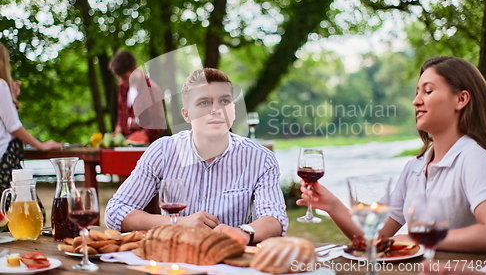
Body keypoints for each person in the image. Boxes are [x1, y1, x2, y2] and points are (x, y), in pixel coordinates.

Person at [298, 56, 486, 254]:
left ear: (461, 99)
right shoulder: (415, 168)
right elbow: (376, 238)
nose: (415, 101)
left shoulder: (472, 157)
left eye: (428, 91)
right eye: (417, 92)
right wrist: (332, 205)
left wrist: (419, 237)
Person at [105, 68, 287, 244]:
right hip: (173, 262)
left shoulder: (260, 158)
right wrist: (177, 224)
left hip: (230, 261)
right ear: (186, 114)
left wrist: (244, 233)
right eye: (204, 103)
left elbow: (275, 219)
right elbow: (115, 212)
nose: (216, 110)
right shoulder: (162, 151)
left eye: (224, 101)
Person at [0, 43, 61, 207]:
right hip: (4, 162)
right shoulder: (1, 85)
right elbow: (13, 127)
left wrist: (11, 98)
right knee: (30, 215)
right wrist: (40, 145)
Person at [108, 50, 164, 144]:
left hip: (147, 148)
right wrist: (118, 130)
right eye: (119, 78)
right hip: (124, 147)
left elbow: (158, 123)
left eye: (125, 77)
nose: (121, 81)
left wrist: (142, 135)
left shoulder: (152, 90)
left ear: (135, 69)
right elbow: (121, 115)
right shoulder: (122, 88)